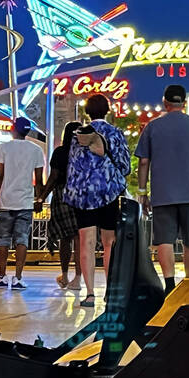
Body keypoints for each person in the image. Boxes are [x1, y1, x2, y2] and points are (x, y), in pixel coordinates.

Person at [136, 84, 189, 295]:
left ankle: (169, 283)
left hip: (162, 194)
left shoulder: (153, 127)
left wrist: (142, 192)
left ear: (165, 103)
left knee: (164, 240)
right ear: (184, 103)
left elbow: (143, 162)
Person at [64, 93, 130, 308]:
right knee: (109, 242)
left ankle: (90, 293)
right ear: (107, 111)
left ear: (87, 112)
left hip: (84, 195)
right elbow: (125, 165)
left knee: (86, 242)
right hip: (109, 192)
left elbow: (72, 167)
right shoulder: (116, 133)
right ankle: (110, 291)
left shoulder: (77, 135)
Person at [0, 116, 46, 289]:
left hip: (6, 201)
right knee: (22, 240)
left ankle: (2, 276)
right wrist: (39, 199)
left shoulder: (3, 148)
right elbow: (38, 179)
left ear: (13, 129)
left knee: (3, 240)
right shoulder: (36, 150)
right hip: (26, 202)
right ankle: (18, 277)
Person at [40, 122, 82, 291]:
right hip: (81, 195)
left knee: (65, 238)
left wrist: (41, 196)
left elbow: (54, 176)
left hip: (62, 194)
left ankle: (64, 275)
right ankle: (78, 278)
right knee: (80, 238)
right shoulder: (83, 152)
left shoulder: (59, 152)